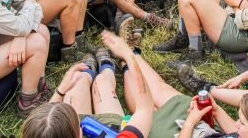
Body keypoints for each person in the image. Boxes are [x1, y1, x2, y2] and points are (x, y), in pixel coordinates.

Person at [21, 31, 153, 138]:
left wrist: (61, 91)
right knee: (102, 83)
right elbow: (145, 108)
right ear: (79, 133)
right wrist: (127, 54)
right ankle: (106, 65)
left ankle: (88, 70)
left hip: (66, 130)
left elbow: (47, 125)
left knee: (78, 81)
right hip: (109, 129)